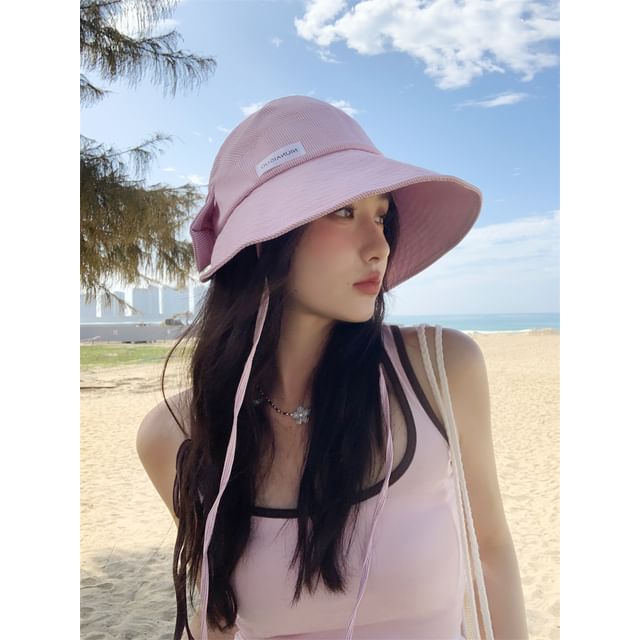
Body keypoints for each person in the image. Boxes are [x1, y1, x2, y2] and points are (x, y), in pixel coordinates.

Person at [136, 95, 518, 640]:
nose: (379, 246)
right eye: (343, 212)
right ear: (264, 242)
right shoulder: (175, 436)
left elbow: (492, 551)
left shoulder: (440, 370)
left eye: (381, 216)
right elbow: (219, 616)